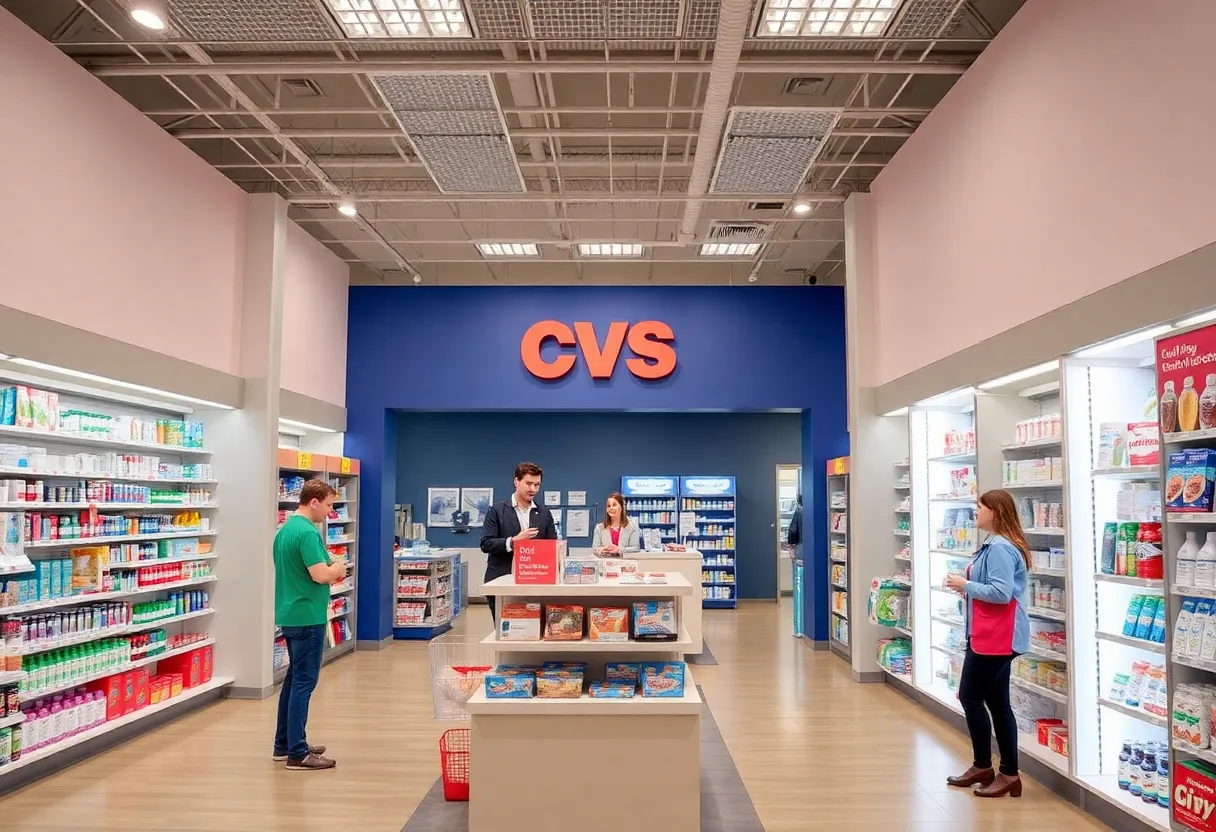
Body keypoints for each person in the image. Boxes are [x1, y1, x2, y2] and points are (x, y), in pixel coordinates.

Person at [943, 489, 1031, 799]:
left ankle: (992, 767)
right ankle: (1003, 772)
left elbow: (1001, 593)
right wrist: (967, 590)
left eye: (978, 507)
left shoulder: (1000, 549)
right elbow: (993, 590)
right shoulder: (994, 545)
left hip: (996, 638)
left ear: (994, 511)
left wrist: (965, 584)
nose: (975, 513)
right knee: (996, 702)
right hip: (989, 634)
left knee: (970, 697)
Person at [272, 478, 347, 771]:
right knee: (305, 682)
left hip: (290, 612)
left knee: (293, 681)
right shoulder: (307, 532)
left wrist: (330, 567)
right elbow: (320, 574)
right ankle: (298, 753)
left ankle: (285, 744)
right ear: (314, 501)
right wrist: (337, 569)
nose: (330, 511)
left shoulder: (285, 530)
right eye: (329, 505)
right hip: (308, 614)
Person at [479, 461, 558, 620]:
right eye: (529, 484)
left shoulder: (544, 513)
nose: (533, 489)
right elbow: (486, 543)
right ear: (516, 481)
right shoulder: (496, 511)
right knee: (503, 633)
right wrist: (514, 541)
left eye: (537, 485)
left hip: (535, 583)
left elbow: (553, 545)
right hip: (501, 581)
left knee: (531, 633)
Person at [591, 492, 642, 556]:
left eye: (614, 505)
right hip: (606, 563)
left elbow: (635, 548)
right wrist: (601, 550)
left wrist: (619, 549)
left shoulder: (632, 526)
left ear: (621, 507)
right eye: (608, 506)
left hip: (625, 564)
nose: (611, 508)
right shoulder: (599, 528)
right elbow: (595, 549)